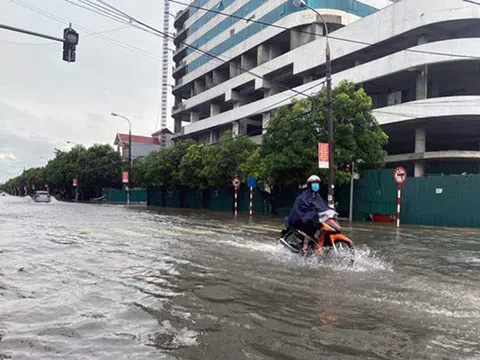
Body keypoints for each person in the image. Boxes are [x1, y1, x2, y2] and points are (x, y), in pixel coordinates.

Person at [287, 175, 330, 254]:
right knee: (309, 233)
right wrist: (312, 214)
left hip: (312, 219)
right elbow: (305, 209)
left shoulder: (317, 196)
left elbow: (323, 206)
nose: (316, 185)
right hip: (300, 220)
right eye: (314, 183)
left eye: (317, 183)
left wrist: (330, 211)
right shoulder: (304, 196)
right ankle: (305, 248)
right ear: (310, 184)